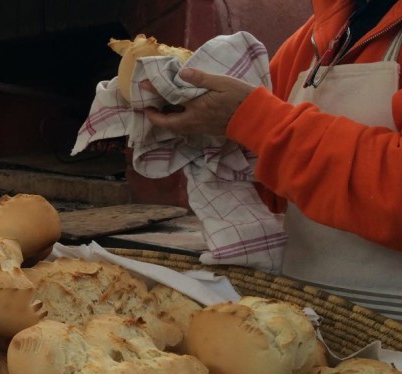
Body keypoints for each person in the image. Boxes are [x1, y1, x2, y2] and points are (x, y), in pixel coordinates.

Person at [142, 0, 402, 320]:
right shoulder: (313, 40)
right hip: (308, 323)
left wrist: (257, 121)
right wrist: (210, 135)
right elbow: (276, 192)